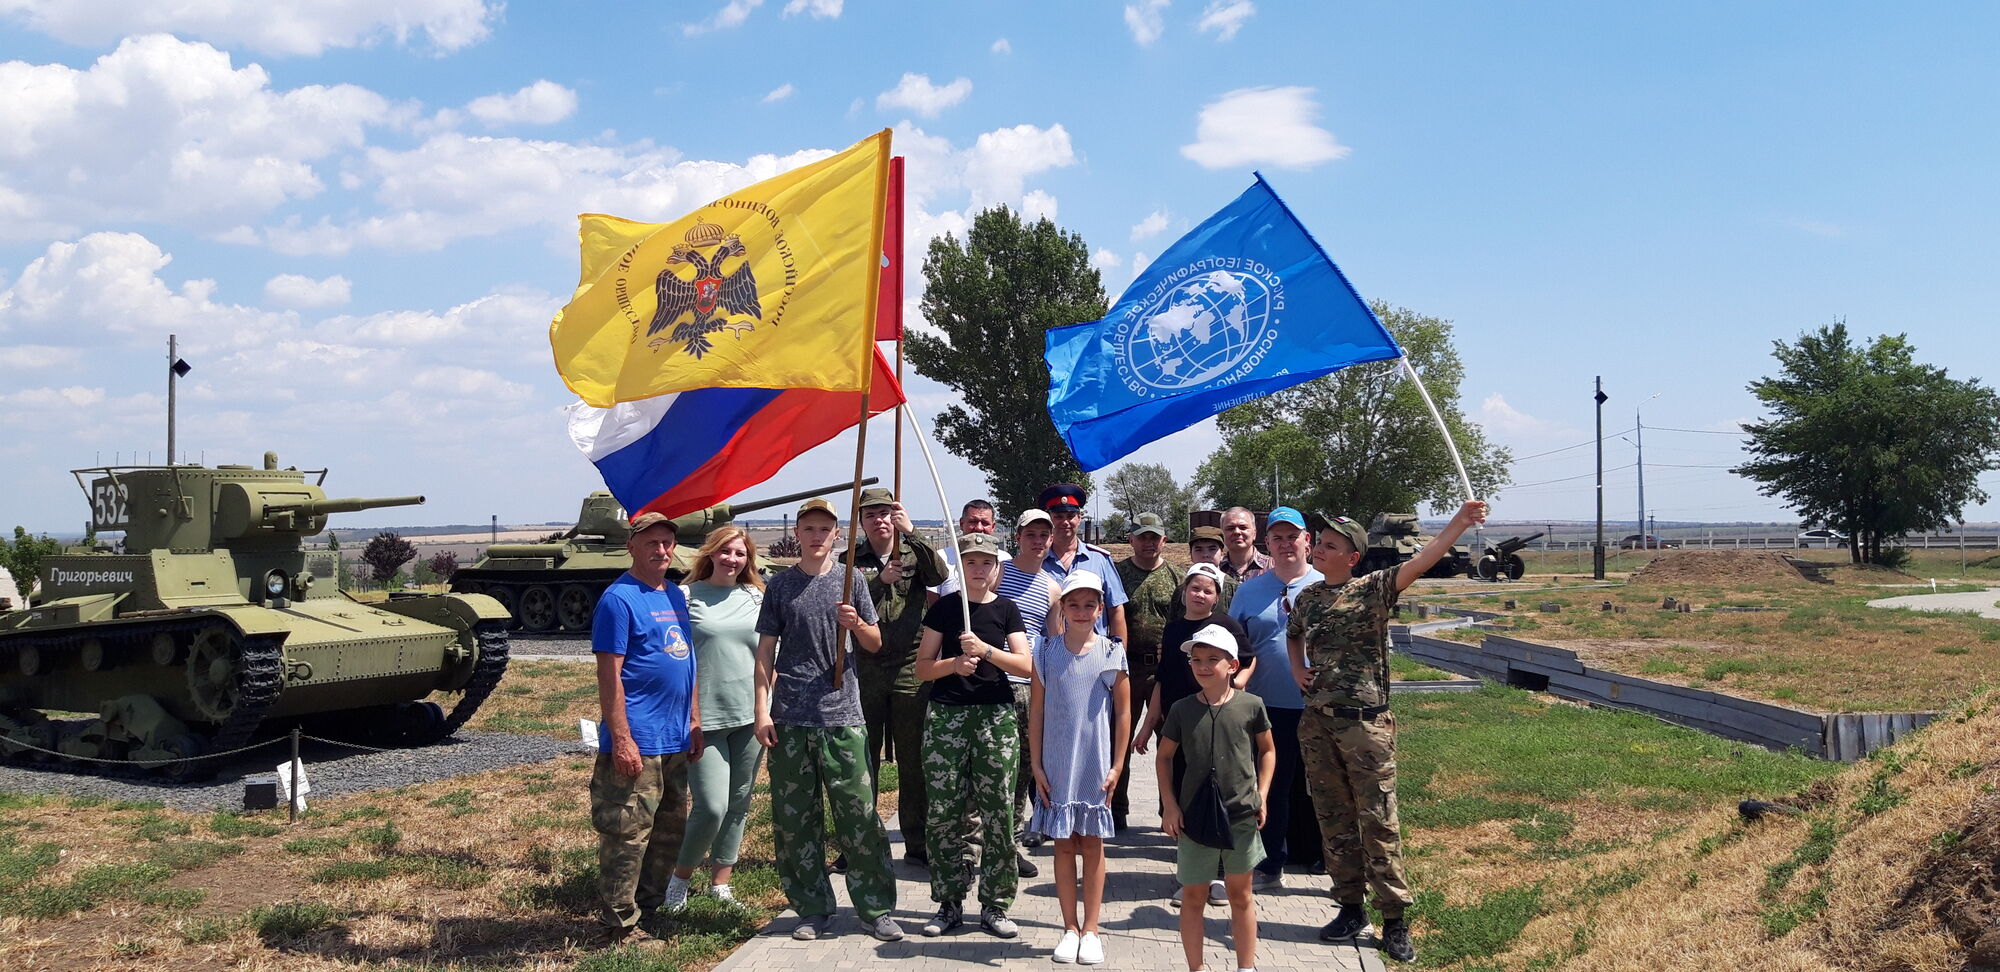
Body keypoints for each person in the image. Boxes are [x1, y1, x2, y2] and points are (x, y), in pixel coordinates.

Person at [1292, 502, 1487, 964]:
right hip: (1318, 723)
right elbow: (1293, 633)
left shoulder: (1373, 589)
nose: (1319, 549)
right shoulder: (1308, 597)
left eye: (1330, 545)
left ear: (1352, 557)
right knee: (1334, 821)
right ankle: (1350, 907)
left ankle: (1395, 920)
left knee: (1378, 822)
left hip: (1365, 726)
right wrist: (1296, 667)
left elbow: (1422, 560)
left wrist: (1459, 523)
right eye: (1319, 543)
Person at [752, 498, 904, 943]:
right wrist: (762, 710)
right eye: (809, 529)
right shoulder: (781, 586)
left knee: (859, 815)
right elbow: (765, 652)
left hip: (842, 716)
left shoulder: (851, 579)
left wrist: (855, 624)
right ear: (797, 534)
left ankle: (875, 908)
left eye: (825, 529)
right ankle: (812, 908)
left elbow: (874, 643)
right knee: (796, 820)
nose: (817, 536)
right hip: (791, 717)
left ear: (837, 535)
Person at [590, 512, 701, 945]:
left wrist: (694, 720)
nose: (661, 550)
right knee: (627, 834)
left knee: (669, 831)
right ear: (631, 547)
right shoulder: (618, 600)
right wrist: (621, 739)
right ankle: (619, 924)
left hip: (675, 738)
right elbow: (609, 675)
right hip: (639, 738)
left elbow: (687, 661)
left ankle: (648, 909)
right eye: (652, 542)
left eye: (667, 543)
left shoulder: (673, 595)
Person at [915, 532, 1032, 939]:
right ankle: (948, 902)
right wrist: (952, 665)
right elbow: (923, 668)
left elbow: (1025, 665)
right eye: (971, 562)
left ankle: (996, 904)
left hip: (995, 717)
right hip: (947, 717)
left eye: (986, 562)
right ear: (961, 568)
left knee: (998, 811)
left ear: (997, 568)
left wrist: (985, 651)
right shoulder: (946, 609)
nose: (979, 569)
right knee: (944, 812)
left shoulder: (1006, 609)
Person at [1157, 624, 1275, 972]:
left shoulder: (1251, 705)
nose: (1203, 666)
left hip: (1241, 815)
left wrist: (1262, 794)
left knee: (1241, 895)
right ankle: (1196, 967)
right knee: (1193, 896)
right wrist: (1170, 806)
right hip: (1194, 818)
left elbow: (1268, 750)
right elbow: (1164, 758)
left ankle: (1245, 967)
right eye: (1196, 660)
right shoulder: (1181, 709)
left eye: (1212, 659)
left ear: (1233, 665)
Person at [1132, 562, 1249, 907]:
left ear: (1217, 596)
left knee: (1216, 796)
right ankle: (1191, 875)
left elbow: (1248, 660)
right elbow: (1163, 679)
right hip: (1178, 723)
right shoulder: (1173, 631)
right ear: (1184, 592)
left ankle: (1219, 876)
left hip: (1215, 722)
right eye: (1194, 588)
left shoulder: (1226, 626)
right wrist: (1148, 725)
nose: (1200, 594)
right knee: (1185, 798)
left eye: (1208, 590)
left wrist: (1234, 692)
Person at [662, 526, 765, 913]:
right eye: (725, 551)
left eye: (740, 554)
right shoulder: (685, 596)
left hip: (750, 716)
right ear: (710, 553)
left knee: (739, 803)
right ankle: (679, 879)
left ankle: (721, 882)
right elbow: (673, 655)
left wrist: (767, 706)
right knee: (712, 806)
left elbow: (768, 654)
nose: (732, 559)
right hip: (704, 720)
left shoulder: (756, 596)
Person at [1029, 570, 1129, 966]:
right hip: (1056, 763)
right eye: (1074, 604)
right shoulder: (1044, 650)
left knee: (1092, 843)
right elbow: (1037, 711)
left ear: (1101, 609)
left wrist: (1117, 765)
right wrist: (1036, 763)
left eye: (1090, 604)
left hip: (1094, 762)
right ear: (1063, 609)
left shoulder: (1110, 651)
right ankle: (1069, 927)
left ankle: (1091, 929)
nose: (1082, 611)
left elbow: (1123, 713)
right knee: (1063, 844)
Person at [850, 487, 949, 866]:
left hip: (910, 666)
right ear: (861, 521)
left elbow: (939, 574)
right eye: (870, 514)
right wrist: (879, 581)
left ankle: (917, 842)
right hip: (867, 669)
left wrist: (913, 533)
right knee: (863, 760)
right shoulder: (850, 559)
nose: (879, 520)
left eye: (884, 513)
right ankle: (860, 844)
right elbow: (843, 601)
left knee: (913, 760)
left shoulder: (912, 552)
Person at [1227, 507, 1319, 893]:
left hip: (1319, 705)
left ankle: (1321, 856)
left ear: (1307, 541)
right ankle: (1269, 863)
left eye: (1292, 536)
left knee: (1321, 785)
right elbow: (1234, 646)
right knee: (1272, 786)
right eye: (1277, 538)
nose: (1285, 544)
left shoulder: (1325, 586)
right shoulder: (1249, 591)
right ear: (1267, 544)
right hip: (1267, 706)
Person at [1000, 508, 1064, 876]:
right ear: (1018, 538)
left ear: (1051, 540)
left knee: (1024, 768)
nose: (1038, 541)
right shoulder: (998, 573)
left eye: (1044, 535)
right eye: (1030, 535)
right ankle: (974, 845)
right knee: (990, 769)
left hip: (1030, 686)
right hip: (993, 682)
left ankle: (1010, 845)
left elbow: (1055, 641)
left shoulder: (1053, 588)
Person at [1112, 511, 1183, 831]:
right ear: (1131, 540)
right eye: (1142, 537)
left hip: (1164, 673)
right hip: (1126, 669)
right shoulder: (1117, 573)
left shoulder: (1178, 577)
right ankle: (1116, 809)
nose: (1148, 543)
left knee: (1170, 743)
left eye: (1154, 537)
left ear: (1164, 540)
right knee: (1119, 740)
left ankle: (1169, 810)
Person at [1037, 483, 1129, 643]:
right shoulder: (1037, 562)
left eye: (1070, 516)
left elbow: (1116, 610)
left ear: (1079, 518)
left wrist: (1119, 654)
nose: (1065, 522)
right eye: (1058, 517)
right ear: (1050, 519)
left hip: (1095, 652)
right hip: (1049, 651)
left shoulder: (1100, 559)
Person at [930, 499, 998, 600]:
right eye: (973, 522)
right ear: (962, 524)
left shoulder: (1004, 560)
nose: (979, 528)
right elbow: (932, 602)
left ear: (993, 526)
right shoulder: (940, 558)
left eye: (985, 523)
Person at [1219, 507, 1273, 582]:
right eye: (1230, 528)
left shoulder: (1273, 567)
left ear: (1254, 534)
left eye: (1243, 527)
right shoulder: (1215, 569)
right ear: (1222, 534)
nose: (1237, 532)